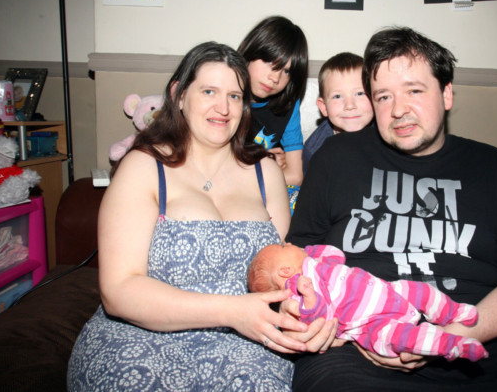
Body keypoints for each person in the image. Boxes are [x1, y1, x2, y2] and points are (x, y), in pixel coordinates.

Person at [287, 27, 497, 391]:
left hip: (475, 350)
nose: (398, 109)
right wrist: (332, 326)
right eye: (383, 97)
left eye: (414, 91)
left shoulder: (490, 167)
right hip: (358, 353)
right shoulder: (335, 159)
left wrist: (447, 336)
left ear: (447, 93)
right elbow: (294, 263)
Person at [67, 42, 313, 391]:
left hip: (247, 344)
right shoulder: (143, 167)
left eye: (234, 96)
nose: (223, 107)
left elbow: (283, 272)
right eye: (209, 91)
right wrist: (231, 311)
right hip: (141, 339)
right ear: (179, 94)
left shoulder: (266, 172)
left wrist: (302, 309)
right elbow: (119, 290)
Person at [248, 243, 488, 361]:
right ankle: (453, 345)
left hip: (387, 292)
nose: (289, 243)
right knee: (403, 339)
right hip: (369, 323)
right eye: (283, 246)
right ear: (285, 271)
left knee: (420, 291)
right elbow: (317, 316)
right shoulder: (296, 290)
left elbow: (336, 254)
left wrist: (310, 250)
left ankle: (454, 312)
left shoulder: (316, 262)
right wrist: (309, 297)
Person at [238, 15, 308, 195]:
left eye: (286, 71)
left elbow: (295, 175)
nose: (275, 78)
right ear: (250, 52)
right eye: (270, 62)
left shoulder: (289, 105)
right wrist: (263, 165)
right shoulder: (225, 99)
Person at [302, 52, 375, 174]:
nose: (350, 105)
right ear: (324, 107)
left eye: (360, 93)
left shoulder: (387, 136)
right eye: (337, 96)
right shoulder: (314, 150)